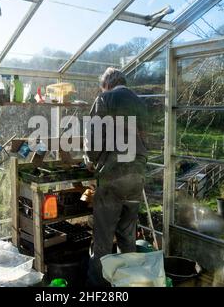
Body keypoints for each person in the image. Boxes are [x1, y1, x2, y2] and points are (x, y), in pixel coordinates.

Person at [84, 67, 148, 287]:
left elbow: (93, 140)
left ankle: (98, 288)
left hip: (112, 177)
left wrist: (90, 160)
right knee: (127, 235)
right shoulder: (140, 102)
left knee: (102, 238)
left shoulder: (105, 99)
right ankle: (126, 283)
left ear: (106, 84)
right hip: (136, 176)